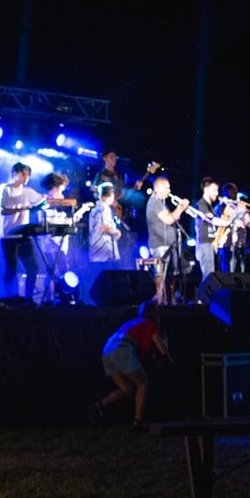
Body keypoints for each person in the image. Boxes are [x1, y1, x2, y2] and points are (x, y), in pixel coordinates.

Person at [90, 298, 169, 429]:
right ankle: (138, 422)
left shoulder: (132, 322)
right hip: (123, 350)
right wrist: (165, 341)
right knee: (143, 384)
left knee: (126, 389)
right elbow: (163, 351)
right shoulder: (150, 325)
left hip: (107, 350)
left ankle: (97, 407)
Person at [0, 161, 45, 302]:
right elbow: (2, 210)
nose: (26, 177)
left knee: (33, 268)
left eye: (28, 175)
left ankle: (28, 298)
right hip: (9, 236)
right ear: (14, 174)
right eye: (24, 174)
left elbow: (42, 200)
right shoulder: (5, 189)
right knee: (12, 269)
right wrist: (23, 208)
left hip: (24, 235)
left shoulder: (28, 191)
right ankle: (10, 299)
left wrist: (52, 200)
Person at [145, 169, 193, 305]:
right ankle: (161, 302)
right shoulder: (154, 202)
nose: (169, 190)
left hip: (169, 245)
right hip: (160, 245)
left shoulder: (161, 202)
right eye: (167, 188)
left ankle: (169, 300)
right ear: (159, 188)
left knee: (172, 275)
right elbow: (169, 220)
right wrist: (180, 208)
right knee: (161, 277)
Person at [38, 170, 80, 304]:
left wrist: (71, 219)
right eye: (61, 190)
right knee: (54, 270)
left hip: (61, 242)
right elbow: (45, 223)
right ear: (54, 188)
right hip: (51, 243)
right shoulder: (44, 202)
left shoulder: (59, 205)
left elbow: (64, 220)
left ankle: (61, 298)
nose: (62, 194)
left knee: (61, 269)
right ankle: (51, 299)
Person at [84, 181, 126, 302]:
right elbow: (104, 228)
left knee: (98, 278)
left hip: (96, 249)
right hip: (104, 249)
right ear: (106, 196)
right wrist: (116, 232)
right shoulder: (104, 209)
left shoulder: (95, 209)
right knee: (108, 277)